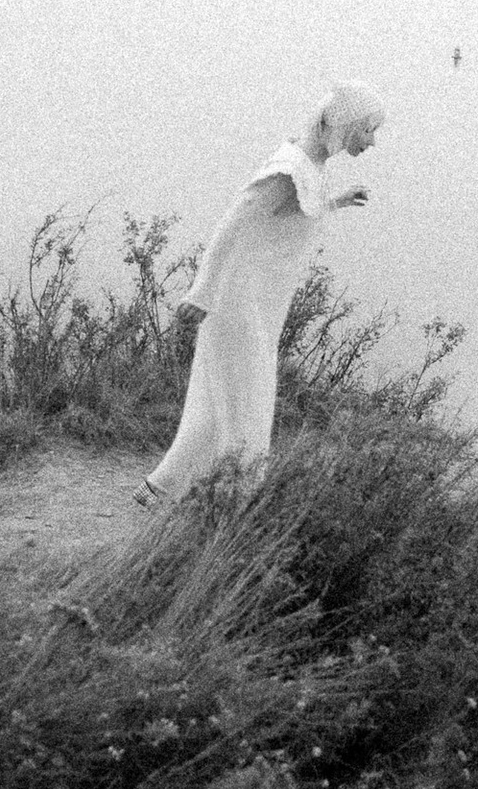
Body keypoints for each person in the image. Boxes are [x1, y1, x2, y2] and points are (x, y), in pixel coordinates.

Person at [142, 80, 384, 499]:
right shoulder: (287, 169)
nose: (372, 140)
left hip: (255, 306)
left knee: (214, 409)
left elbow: (290, 215)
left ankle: (160, 492)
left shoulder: (309, 167)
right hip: (236, 306)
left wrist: (336, 201)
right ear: (345, 124)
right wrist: (202, 293)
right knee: (248, 412)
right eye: (368, 129)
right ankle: (238, 510)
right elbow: (231, 226)